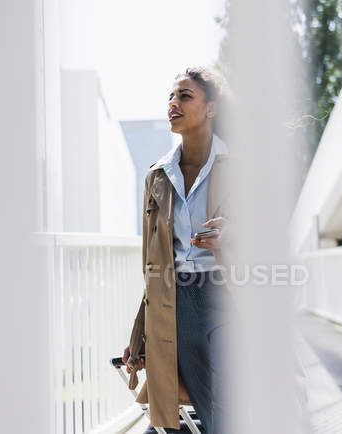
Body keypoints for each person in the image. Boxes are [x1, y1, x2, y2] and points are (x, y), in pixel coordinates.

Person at [122, 66, 233, 433]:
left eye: (185, 96)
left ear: (211, 109)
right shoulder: (157, 176)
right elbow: (153, 266)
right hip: (175, 303)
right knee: (182, 414)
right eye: (171, 97)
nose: (174, 103)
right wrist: (139, 333)